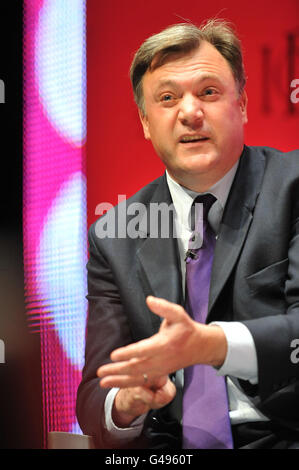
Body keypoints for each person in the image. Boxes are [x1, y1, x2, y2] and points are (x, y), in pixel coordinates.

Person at [76, 19, 299, 449]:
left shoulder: (291, 187)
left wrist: (211, 345)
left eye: (209, 92)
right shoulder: (115, 234)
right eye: (167, 98)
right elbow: (94, 397)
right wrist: (128, 400)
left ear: (243, 105)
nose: (190, 112)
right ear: (145, 121)